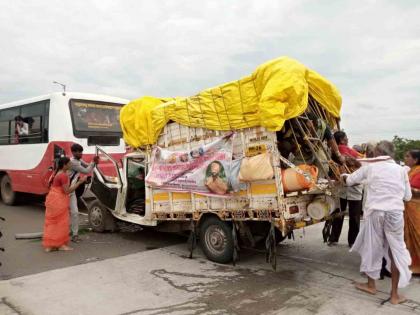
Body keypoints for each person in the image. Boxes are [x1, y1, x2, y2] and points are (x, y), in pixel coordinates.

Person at [342, 140, 412, 305]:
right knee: (396, 251)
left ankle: (371, 285)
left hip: (375, 213)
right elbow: (407, 196)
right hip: (395, 213)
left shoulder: (370, 167)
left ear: (377, 154)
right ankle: (394, 295)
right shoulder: (401, 170)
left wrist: (342, 176)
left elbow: (349, 181)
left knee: (372, 247)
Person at [43, 157, 87, 252]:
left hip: (52, 198)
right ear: (64, 165)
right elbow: (67, 191)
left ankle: (51, 245)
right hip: (59, 200)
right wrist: (80, 182)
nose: (71, 165)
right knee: (61, 222)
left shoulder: (56, 173)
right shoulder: (63, 175)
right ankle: (61, 245)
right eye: (69, 164)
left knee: (52, 222)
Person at [328, 131, 363, 247]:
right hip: (354, 185)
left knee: (338, 214)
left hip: (342, 186)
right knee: (354, 216)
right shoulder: (344, 149)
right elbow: (359, 163)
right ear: (342, 140)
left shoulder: (333, 151)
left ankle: (333, 239)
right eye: (346, 138)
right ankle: (352, 241)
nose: (348, 139)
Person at [68, 143, 99, 242]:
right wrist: (93, 162)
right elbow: (86, 171)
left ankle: (74, 234)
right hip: (65, 191)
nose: (81, 153)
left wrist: (94, 162)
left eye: (81, 151)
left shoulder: (78, 160)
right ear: (73, 152)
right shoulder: (73, 162)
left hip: (71, 190)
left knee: (75, 213)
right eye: (78, 152)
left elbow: (88, 166)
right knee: (64, 213)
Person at [404, 149, 420, 274]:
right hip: (407, 207)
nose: (405, 158)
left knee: (417, 236)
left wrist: (412, 190)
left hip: (416, 209)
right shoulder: (409, 171)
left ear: (415, 160)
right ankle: (411, 264)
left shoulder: (418, 171)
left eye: (408, 156)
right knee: (407, 237)